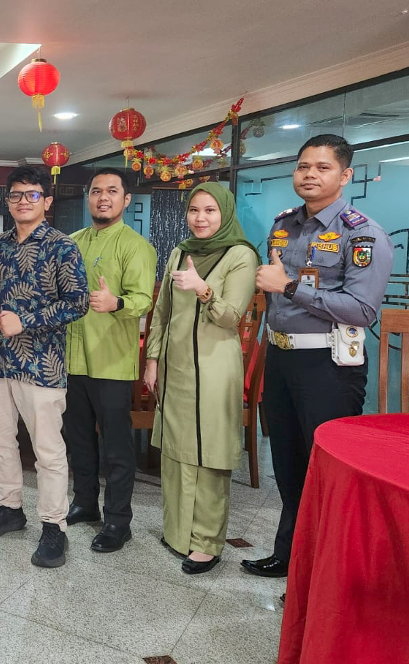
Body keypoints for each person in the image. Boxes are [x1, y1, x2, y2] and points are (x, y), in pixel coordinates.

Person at [242, 134, 392, 578]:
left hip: (328, 366)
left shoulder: (361, 233)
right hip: (283, 358)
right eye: (303, 166)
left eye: (322, 167)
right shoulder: (284, 224)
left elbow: (363, 310)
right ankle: (289, 555)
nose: (309, 174)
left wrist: (289, 286)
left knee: (324, 473)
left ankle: (324, 574)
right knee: (287, 465)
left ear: (345, 175)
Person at [0, 166, 90, 567]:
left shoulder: (62, 247)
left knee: (47, 450)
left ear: (47, 201)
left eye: (33, 195)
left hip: (41, 364)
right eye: (17, 195)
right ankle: (9, 508)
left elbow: (78, 302)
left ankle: (54, 526)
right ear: (8, 201)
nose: (24, 201)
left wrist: (27, 320)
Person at [144, 184, 258, 574]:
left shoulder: (241, 255)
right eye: (194, 210)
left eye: (210, 210)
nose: (201, 218)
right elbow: (161, 312)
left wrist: (204, 290)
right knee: (176, 450)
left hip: (213, 370)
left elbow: (231, 317)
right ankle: (178, 533)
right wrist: (153, 360)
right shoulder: (179, 251)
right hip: (175, 368)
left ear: (224, 213)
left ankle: (207, 542)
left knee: (209, 454)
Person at [63, 168, 156, 553]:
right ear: (88, 198)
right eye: (97, 191)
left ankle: (118, 520)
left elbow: (143, 299)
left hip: (112, 361)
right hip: (71, 358)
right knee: (77, 438)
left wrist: (116, 302)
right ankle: (85, 503)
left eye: (112, 191)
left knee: (117, 446)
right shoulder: (72, 241)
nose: (104, 197)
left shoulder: (136, 247)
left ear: (126, 199)